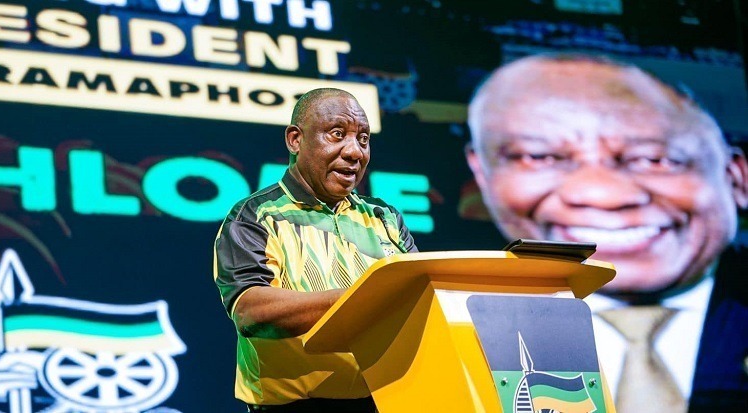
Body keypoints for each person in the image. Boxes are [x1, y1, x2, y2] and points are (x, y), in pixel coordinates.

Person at [466, 54, 747, 412]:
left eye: (656, 159)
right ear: (482, 172)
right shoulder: (451, 326)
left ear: (736, 177)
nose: (602, 194)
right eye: (539, 157)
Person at [213, 88, 417, 412]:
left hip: (388, 401)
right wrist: (359, 300)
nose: (355, 152)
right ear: (295, 140)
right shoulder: (254, 215)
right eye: (337, 134)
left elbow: (418, 300)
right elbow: (251, 311)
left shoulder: (385, 217)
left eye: (363, 139)